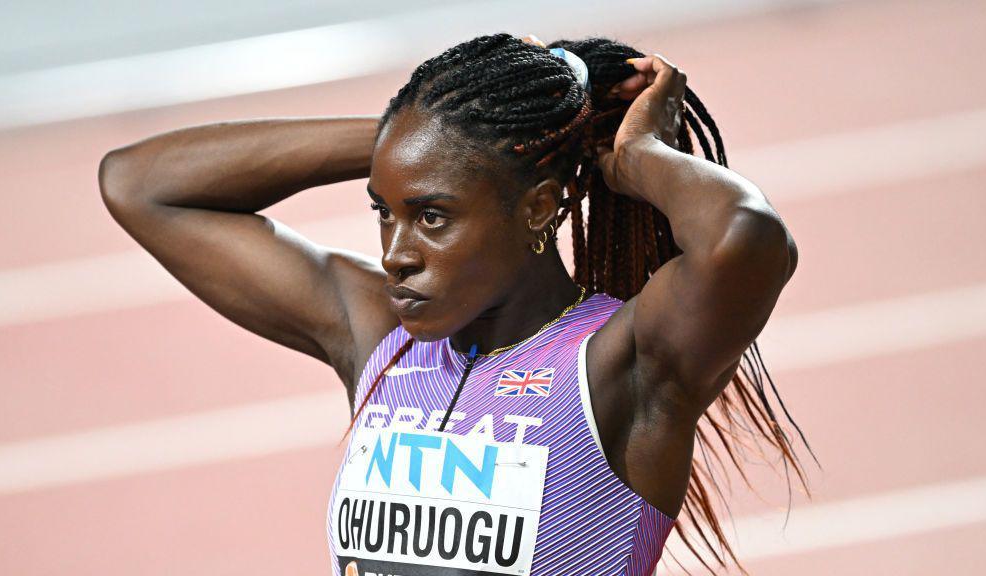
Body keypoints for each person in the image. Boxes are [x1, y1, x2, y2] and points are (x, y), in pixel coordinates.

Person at [99, 32, 814, 576]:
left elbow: (744, 240)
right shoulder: (381, 337)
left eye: (433, 216)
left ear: (538, 207)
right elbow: (140, 183)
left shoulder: (621, 365)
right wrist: (421, 137)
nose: (396, 252)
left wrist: (635, 157)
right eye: (385, 212)